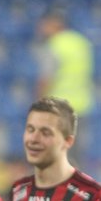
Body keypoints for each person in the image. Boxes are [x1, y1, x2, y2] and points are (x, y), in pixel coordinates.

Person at [35, 10, 94, 167]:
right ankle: (79, 189)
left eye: (44, 24)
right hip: (81, 106)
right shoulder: (81, 42)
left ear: (55, 23)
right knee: (76, 154)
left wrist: (38, 101)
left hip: (59, 109)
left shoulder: (54, 45)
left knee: (58, 154)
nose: (41, 28)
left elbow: (46, 78)